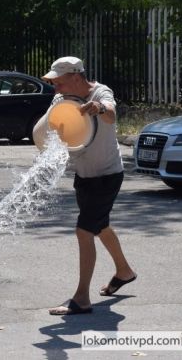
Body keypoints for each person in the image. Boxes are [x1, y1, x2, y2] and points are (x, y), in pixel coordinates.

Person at [40, 56, 137, 316]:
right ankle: (124, 271)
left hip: (107, 175)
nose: (56, 88)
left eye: (58, 82)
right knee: (100, 226)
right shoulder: (61, 99)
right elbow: (50, 128)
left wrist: (99, 108)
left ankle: (82, 298)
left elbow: (111, 114)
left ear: (75, 76)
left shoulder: (100, 92)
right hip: (84, 174)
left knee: (84, 231)